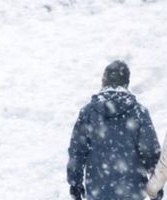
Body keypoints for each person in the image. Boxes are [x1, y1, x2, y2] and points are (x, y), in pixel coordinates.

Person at [67, 61, 161, 200]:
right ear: (127, 83)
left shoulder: (88, 112)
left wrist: (75, 183)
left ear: (104, 81)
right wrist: (156, 183)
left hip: (98, 190)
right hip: (132, 190)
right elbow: (150, 152)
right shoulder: (139, 112)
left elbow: (77, 151)